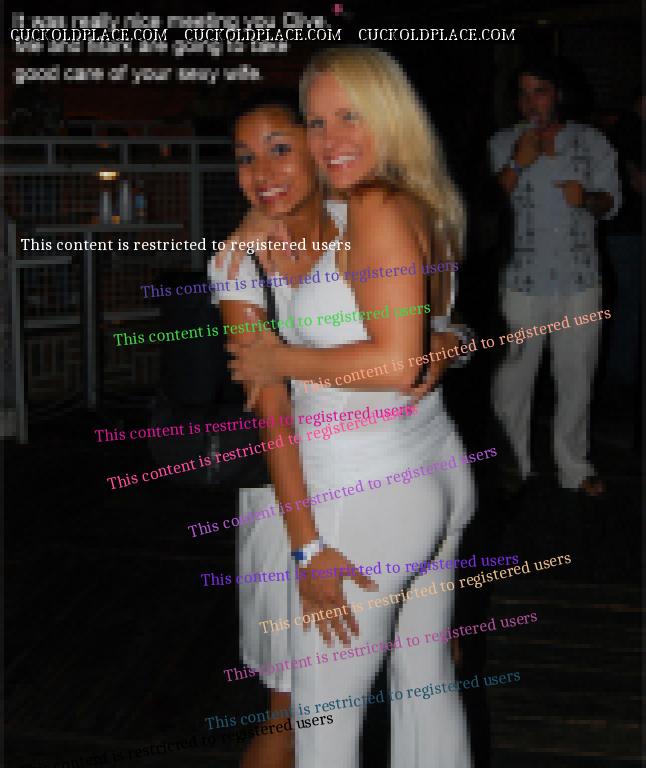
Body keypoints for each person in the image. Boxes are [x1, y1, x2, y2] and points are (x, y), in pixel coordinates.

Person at [226, 47, 475, 767]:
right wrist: (453, 341)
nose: (330, 139)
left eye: (349, 117)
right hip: (429, 469)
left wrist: (281, 360)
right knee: (426, 692)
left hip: (360, 495)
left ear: (389, 117)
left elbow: (397, 364)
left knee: (324, 730)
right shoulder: (405, 203)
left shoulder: (370, 204)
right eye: (316, 122)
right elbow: (426, 331)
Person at [488, 58, 621, 497]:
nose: (531, 102)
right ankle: (514, 463)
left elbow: (611, 202)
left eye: (540, 91)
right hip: (520, 282)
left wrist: (587, 199)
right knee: (512, 380)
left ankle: (574, 467)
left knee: (576, 377)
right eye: (523, 94)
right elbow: (485, 206)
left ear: (558, 94)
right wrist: (517, 163)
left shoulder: (591, 140)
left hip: (579, 281)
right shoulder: (502, 142)